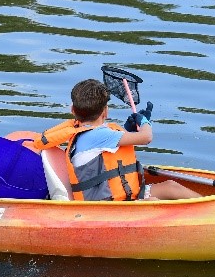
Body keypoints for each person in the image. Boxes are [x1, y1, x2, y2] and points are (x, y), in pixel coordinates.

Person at [33, 78, 198, 201]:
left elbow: (108, 149)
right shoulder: (100, 135)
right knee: (152, 203)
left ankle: (209, 208)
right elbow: (146, 137)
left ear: (73, 110)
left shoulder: (86, 132)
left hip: (117, 194)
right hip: (106, 204)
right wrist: (144, 121)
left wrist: (128, 129)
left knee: (171, 186)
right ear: (105, 111)